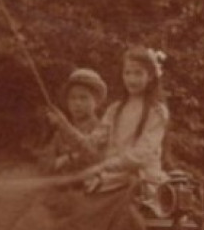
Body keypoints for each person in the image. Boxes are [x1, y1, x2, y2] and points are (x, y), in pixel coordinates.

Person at [84, 45, 170, 194]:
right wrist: (79, 139)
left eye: (138, 73)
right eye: (127, 73)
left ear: (150, 76)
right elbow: (96, 139)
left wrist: (109, 165)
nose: (132, 79)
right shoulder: (114, 109)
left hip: (143, 178)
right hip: (113, 177)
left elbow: (143, 152)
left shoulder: (156, 111)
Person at [40, 67, 110, 174]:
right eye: (72, 98)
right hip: (63, 188)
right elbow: (44, 166)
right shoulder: (60, 134)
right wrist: (56, 163)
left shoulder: (102, 129)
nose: (77, 103)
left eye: (84, 98)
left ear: (97, 102)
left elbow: (95, 158)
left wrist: (68, 158)